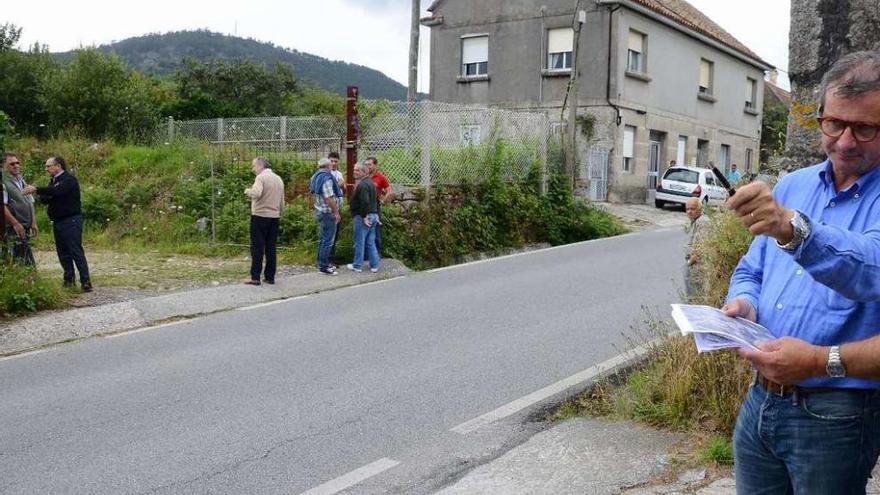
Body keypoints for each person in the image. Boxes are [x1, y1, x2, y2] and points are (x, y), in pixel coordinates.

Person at [721, 51, 880, 494]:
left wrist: (795, 228)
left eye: (865, 128)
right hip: (761, 401)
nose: (846, 142)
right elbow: (753, 267)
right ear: (820, 117)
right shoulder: (794, 184)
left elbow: (871, 268)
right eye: (835, 124)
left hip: (839, 414)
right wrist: (744, 304)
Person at [22, 156, 92, 292]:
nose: (46, 169)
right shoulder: (54, 181)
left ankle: (85, 281)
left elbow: (56, 191)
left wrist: (36, 189)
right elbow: (47, 198)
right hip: (58, 221)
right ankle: (69, 280)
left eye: (48, 166)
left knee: (75, 250)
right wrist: (43, 194)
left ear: (58, 166)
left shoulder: (68, 180)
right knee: (63, 253)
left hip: (70, 220)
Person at [243, 157, 284, 286]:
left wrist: (247, 191)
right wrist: (279, 213)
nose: (253, 169)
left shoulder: (260, 177)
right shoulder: (278, 179)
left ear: (260, 165)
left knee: (257, 247)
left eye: (253, 166)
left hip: (260, 215)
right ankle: (270, 276)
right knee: (271, 247)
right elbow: (282, 201)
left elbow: (256, 193)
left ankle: (255, 277)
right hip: (274, 216)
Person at [3, 153, 38, 265]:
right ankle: (27, 280)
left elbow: (30, 201)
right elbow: (3, 206)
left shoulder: (20, 179)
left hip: (26, 225)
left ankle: (31, 280)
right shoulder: (4, 182)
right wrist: (15, 223)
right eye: (12, 163)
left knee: (26, 255)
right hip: (14, 228)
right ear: (4, 165)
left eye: (17, 162)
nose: (16, 165)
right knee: (21, 258)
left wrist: (33, 222)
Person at [309, 157, 342, 275]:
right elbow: (329, 198)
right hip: (327, 213)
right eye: (330, 165)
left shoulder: (315, 176)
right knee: (328, 240)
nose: (332, 166)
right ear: (328, 167)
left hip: (319, 210)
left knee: (323, 239)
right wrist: (336, 212)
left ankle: (321, 262)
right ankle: (324, 266)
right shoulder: (326, 178)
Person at [347, 162, 380, 273]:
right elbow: (374, 200)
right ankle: (375, 265)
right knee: (370, 242)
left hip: (364, 216)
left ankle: (357, 265)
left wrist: (364, 216)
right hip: (373, 215)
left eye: (357, 170)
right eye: (354, 169)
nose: (354, 172)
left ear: (364, 172)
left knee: (359, 241)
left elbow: (365, 201)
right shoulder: (371, 183)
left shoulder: (363, 185)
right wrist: (375, 215)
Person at [365, 157, 391, 255]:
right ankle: (366, 256)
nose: (367, 167)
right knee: (365, 231)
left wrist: (383, 201)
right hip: (364, 205)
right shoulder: (364, 176)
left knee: (376, 231)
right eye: (366, 164)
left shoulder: (380, 177)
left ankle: (377, 255)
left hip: (375, 206)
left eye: (370, 164)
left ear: (375, 165)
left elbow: (389, 190)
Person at [683, 197, 708, 299]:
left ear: (700, 209)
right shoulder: (696, 221)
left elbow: (701, 247)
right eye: (687, 209)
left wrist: (689, 264)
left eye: (692, 209)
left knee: (696, 299)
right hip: (694, 267)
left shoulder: (703, 222)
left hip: (697, 269)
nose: (689, 212)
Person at [327, 151, 345, 267]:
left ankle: (332, 257)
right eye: (331, 161)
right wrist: (339, 184)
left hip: (338, 207)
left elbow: (344, 190)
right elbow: (329, 192)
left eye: (335, 161)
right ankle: (326, 259)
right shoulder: (326, 174)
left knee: (336, 234)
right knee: (329, 235)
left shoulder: (339, 173)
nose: (333, 163)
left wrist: (343, 185)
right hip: (330, 209)